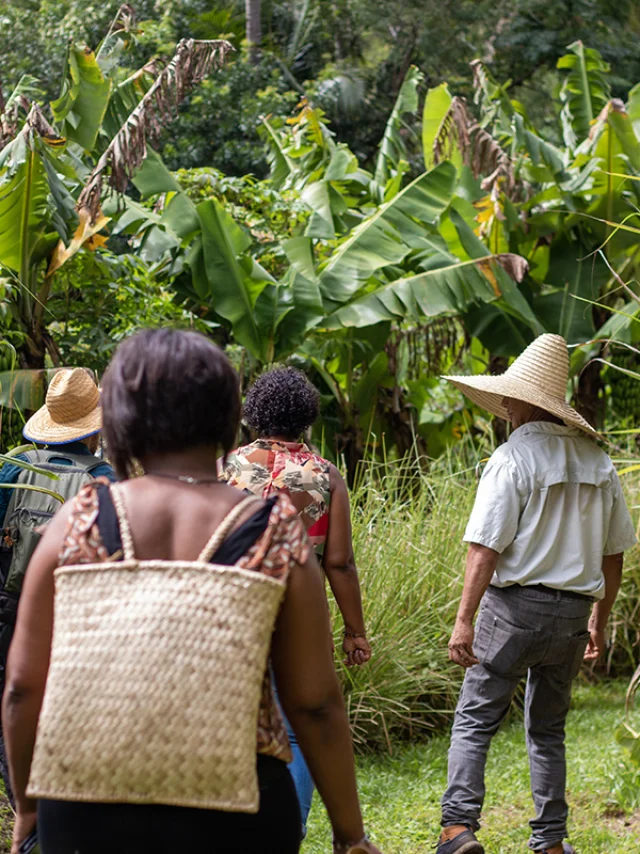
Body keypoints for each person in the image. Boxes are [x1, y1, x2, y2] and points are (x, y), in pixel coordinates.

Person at [3, 329, 383, 854]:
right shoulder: (276, 531)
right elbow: (314, 703)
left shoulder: (79, 520)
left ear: (117, 420)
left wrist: (27, 805)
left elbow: (24, 687)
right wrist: (350, 834)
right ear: (228, 417)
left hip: (87, 807)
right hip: (240, 806)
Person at [433, 333, 637, 854]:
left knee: (476, 718)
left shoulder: (512, 458)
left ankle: (458, 828)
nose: (503, 404)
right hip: (572, 614)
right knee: (547, 730)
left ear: (526, 400)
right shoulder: (597, 462)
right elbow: (614, 554)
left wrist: (464, 620)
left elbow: (485, 547)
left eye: (509, 395)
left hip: (513, 610)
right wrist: (600, 617)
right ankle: (549, 842)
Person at [223, 367, 371, 830]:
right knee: (297, 729)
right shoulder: (325, 476)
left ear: (254, 415)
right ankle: (292, 826)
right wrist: (355, 631)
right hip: (300, 622)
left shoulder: (226, 467)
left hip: (234, 617)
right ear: (306, 419)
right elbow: (340, 564)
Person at [0, 368, 114, 805]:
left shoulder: (14, 465)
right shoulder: (106, 477)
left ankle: (20, 800)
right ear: (94, 428)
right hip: (75, 618)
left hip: (11, 608)